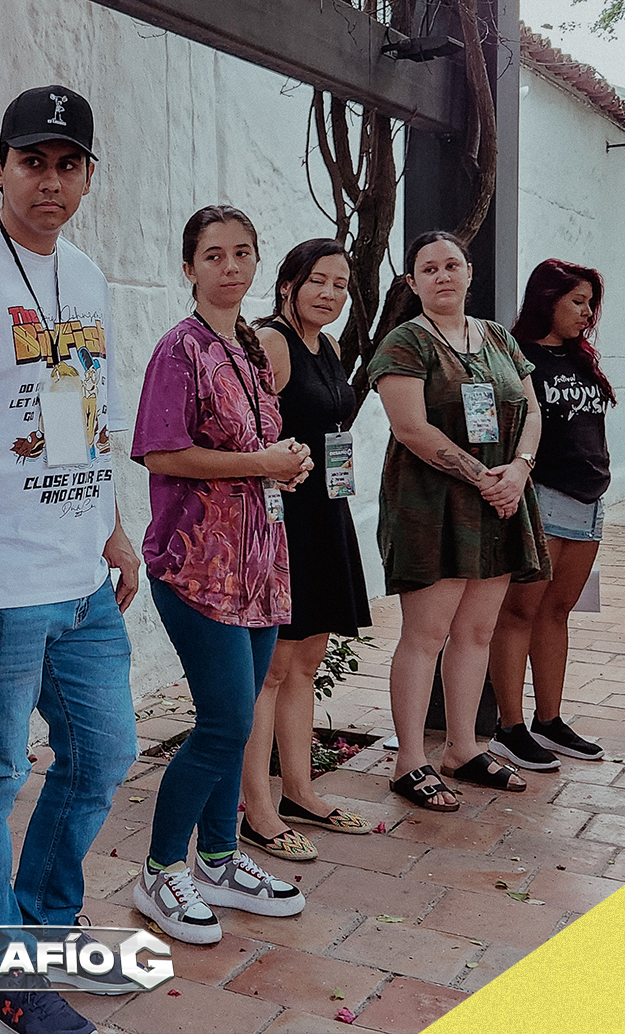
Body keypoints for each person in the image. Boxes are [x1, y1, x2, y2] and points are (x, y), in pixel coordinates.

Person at [0, 86, 138, 1033]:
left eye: (68, 163)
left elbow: (90, 413)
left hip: (82, 575)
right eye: (32, 160)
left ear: (87, 176)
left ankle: (40, 927)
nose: (50, 179)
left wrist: (114, 528)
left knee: (103, 756)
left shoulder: (85, 276)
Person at [130, 205, 310, 945]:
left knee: (237, 726)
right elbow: (161, 454)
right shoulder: (181, 349)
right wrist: (259, 464)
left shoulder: (251, 348)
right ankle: (160, 869)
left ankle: (220, 856)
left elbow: (257, 450)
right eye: (213, 255)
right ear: (189, 267)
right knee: (226, 723)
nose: (229, 267)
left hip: (260, 564)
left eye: (242, 253)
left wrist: (284, 465)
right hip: (196, 566)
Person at [370, 230, 549, 814]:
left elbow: (531, 407)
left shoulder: (497, 337)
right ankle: (409, 761)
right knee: (426, 636)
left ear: (470, 273)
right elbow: (412, 429)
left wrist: (519, 470)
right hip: (431, 508)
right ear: (412, 282)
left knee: (475, 633)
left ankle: (462, 747)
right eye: (429, 269)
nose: (443, 276)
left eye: (452, 265)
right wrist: (487, 479)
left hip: (499, 500)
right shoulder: (405, 343)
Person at [238, 240, 373, 861]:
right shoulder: (272, 343)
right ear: (289, 283)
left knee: (304, 666)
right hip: (283, 520)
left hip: (326, 516)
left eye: (340, 285)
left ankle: (299, 791)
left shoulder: (332, 347)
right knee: (268, 670)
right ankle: (257, 811)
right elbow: (252, 435)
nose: (329, 293)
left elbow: (333, 430)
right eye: (318, 280)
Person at [489, 260, 615, 769]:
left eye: (590, 304)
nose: (587, 313)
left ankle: (550, 720)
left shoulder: (581, 358)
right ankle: (509, 728)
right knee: (518, 612)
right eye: (578, 302)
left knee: (558, 612)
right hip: (543, 496)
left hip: (590, 499)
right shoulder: (518, 356)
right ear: (548, 299)